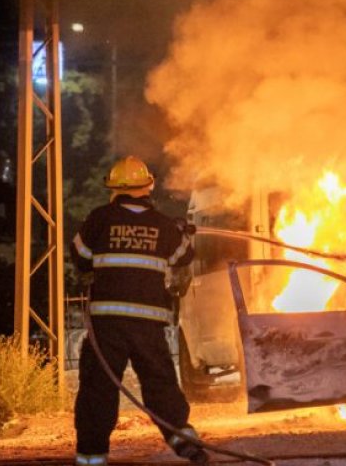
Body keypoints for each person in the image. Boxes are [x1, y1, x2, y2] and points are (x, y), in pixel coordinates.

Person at [71, 156, 206, 465]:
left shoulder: (100, 218)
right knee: (160, 383)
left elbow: (80, 257)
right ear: (148, 187)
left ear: (115, 190)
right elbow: (185, 256)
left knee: (98, 387)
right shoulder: (163, 224)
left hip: (108, 324)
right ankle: (184, 440)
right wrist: (182, 230)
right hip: (148, 323)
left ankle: (91, 457)